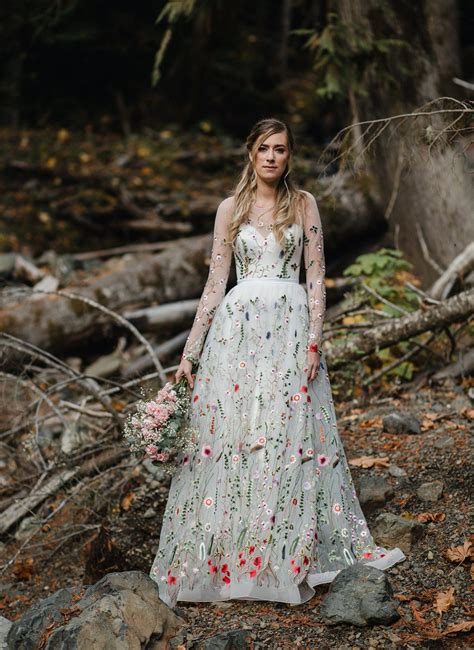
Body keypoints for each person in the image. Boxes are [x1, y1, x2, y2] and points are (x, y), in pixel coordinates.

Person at [149, 117, 405, 608]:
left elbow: (316, 278)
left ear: (289, 156)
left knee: (288, 434)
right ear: (251, 153)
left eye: (280, 149)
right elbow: (214, 283)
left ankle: (285, 552)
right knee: (236, 435)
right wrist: (190, 356)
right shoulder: (231, 208)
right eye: (264, 148)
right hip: (237, 335)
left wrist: (314, 342)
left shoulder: (304, 203)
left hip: (288, 332)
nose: (271, 156)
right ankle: (234, 555)